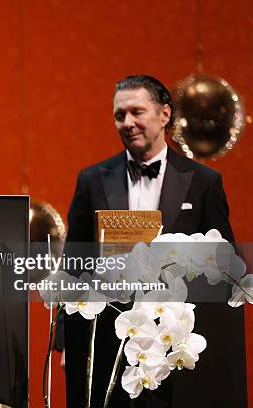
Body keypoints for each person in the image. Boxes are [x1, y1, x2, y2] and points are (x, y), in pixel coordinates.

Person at [64, 75, 246, 407]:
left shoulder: (204, 182)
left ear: (164, 114)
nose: (127, 122)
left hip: (174, 342)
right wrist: (67, 341)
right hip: (112, 339)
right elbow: (74, 262)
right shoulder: (91, 180)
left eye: (137, 111)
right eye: (120, 115)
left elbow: (223, 262)